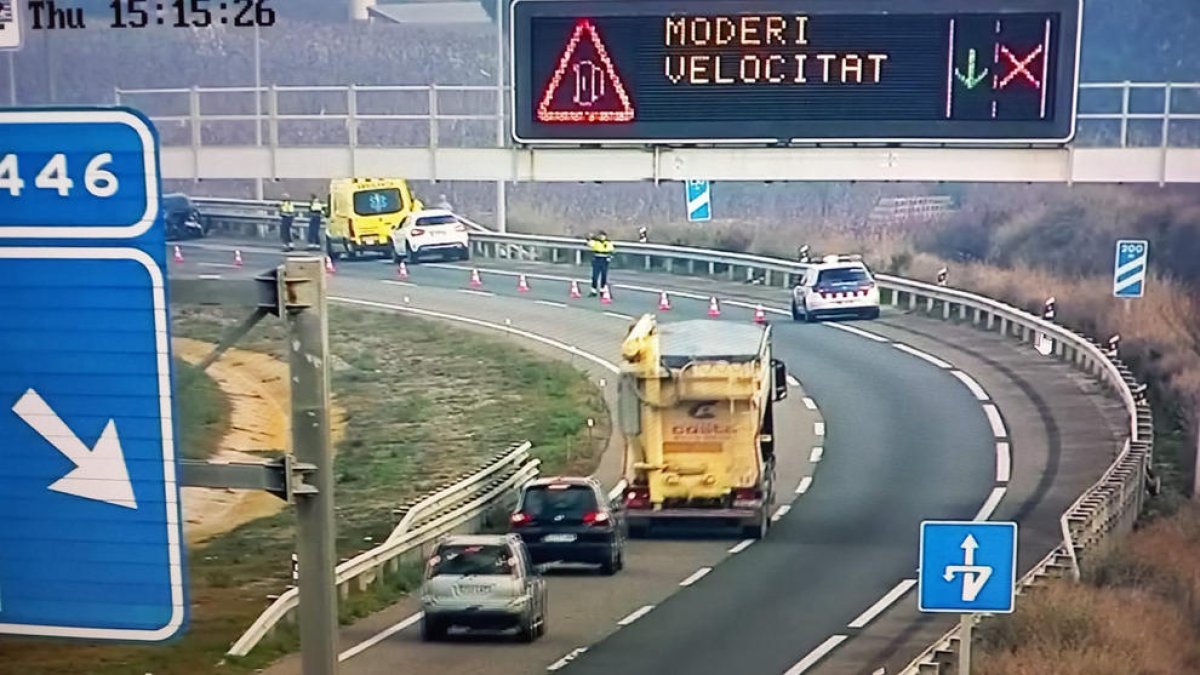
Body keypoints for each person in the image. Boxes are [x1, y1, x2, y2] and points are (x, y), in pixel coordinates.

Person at [586, 231, 614, 296]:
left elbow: (611, 251)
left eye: (603, 236)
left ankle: (602, 290)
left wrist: (609, 258)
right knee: (595, 276)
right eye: (600, 236)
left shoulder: (608, 242)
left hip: (604, 260)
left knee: (604, 275)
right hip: (597, 259)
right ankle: (593, 291)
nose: (601, 237)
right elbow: (589, 244)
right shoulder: (595, 242)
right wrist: (589, 238)